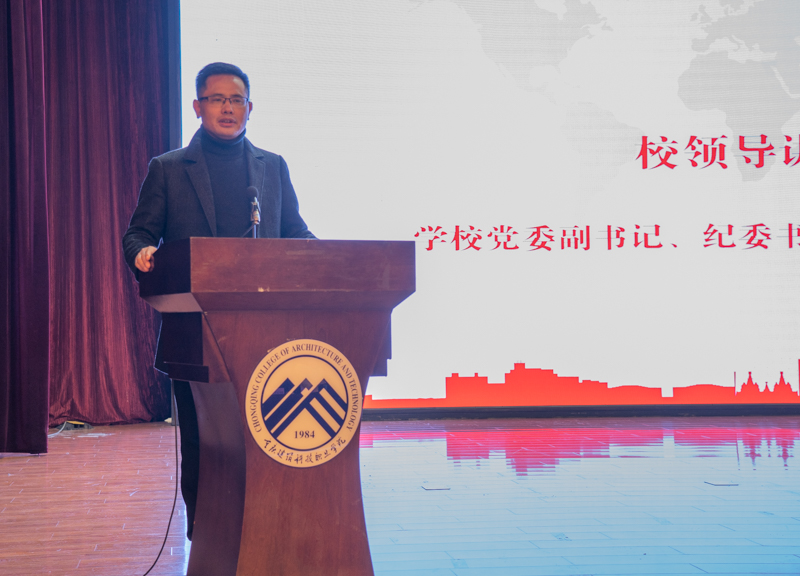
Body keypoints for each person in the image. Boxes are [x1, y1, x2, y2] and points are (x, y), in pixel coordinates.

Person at [122, 62, 315, 540]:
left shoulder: (272, 167)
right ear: (197, 106)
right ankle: (205, 536)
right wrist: (142, 252)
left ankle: (265, 531)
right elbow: (138, 233)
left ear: (250, 108)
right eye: (216, 99)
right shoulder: (168, 169)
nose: (227, 108)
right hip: (194, 333)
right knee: (203, 439)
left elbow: (295, 232)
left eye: (236, 100)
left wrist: (321, 257)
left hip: (267, 332)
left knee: (264, 436)